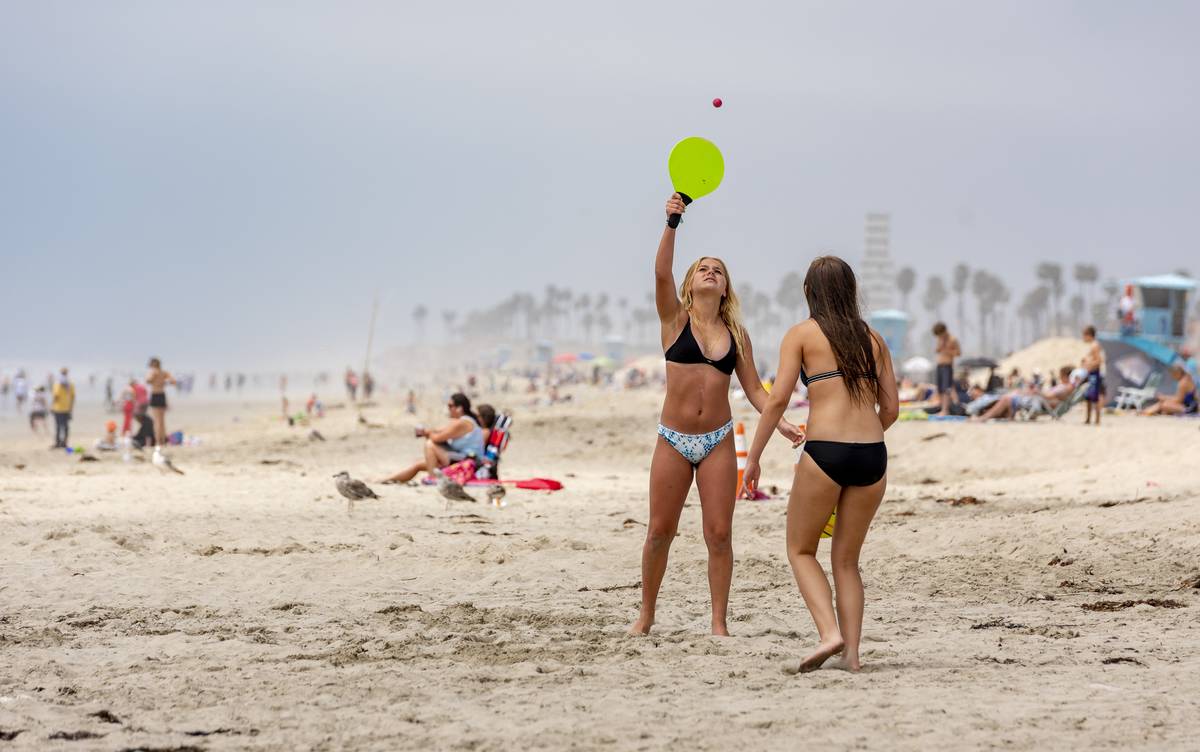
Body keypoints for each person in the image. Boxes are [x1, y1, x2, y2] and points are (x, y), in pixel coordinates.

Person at [631, 194, 803, 638]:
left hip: (717, 442)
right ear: (691, 283)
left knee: (720, 535)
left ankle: (718, 623)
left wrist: (782, 424)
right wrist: (672, 222)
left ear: (725, 287)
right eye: (703, 268)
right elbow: (659, 272)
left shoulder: (737, 335)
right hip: (673, 438)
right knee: (659, 533)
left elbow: (755, 392)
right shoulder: (673, 319)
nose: (711, 271)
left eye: (718, 270)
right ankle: (646, 615)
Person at [742, 255, 899, 673]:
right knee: (847, 560)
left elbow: (777, 400)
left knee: (800, 549)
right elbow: (893, 409)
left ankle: (829, 633)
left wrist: (754, 457)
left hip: (825, 451)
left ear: (809, 292)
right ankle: (852, 655)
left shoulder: (801, 334)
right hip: (872, 455)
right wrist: (864, 435)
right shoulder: (874, 339)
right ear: (850, 291)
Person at [382, 392, 486, 483]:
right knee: (417, 466)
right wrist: (429, 432)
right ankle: (384, 480)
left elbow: (437, 438)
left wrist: (428, 434)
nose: (448, 409)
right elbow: (440, 431)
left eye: (450, 406)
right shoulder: (464, 421)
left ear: (459, 408)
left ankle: (433, 478)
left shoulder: (463, 423)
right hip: (460, 458)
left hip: (469, 463)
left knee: (430, 444)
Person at [146, 357, 176, 446]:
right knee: (162, 421)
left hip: (155, 395)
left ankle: (158, 441)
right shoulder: (164, 373)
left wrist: (154, 378)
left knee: (157, 421)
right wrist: (164, 382)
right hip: (162, 395)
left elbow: (148, 380)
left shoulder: (153, 372)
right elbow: (173, 381)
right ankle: (163, 440)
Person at [932, 322, 960, 416]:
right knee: (939, 388)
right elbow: (937, 350)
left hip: (947, 366)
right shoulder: (940, 339)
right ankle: (940, 408)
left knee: (946, 389)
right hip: (939, 365)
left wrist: (947, 350)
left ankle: (945, 410)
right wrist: (941, 346)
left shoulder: (953, 339)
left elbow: (958, 353)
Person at [1081, 326, 1105, 425]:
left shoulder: (1095, 346)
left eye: (1084, 335)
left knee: (1094, 397)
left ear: (1089, 335)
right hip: (1092, 373)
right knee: (1089, 397)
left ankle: (1097, 419)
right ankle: (1088, 419)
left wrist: (1088, 365)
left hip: (1094, 373)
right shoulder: (1093, 345)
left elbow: (1099, 361)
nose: (1083, 338)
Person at [50, 367, 76, 448]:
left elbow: (56, 396)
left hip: (58, 408)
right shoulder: (70, 384)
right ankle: (64, 442)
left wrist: (51, 406)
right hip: (67, 408)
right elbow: (73, 397)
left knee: (58, 426)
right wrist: (71, 407)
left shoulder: (57, 384)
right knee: (65, 427)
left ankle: (58, 443)